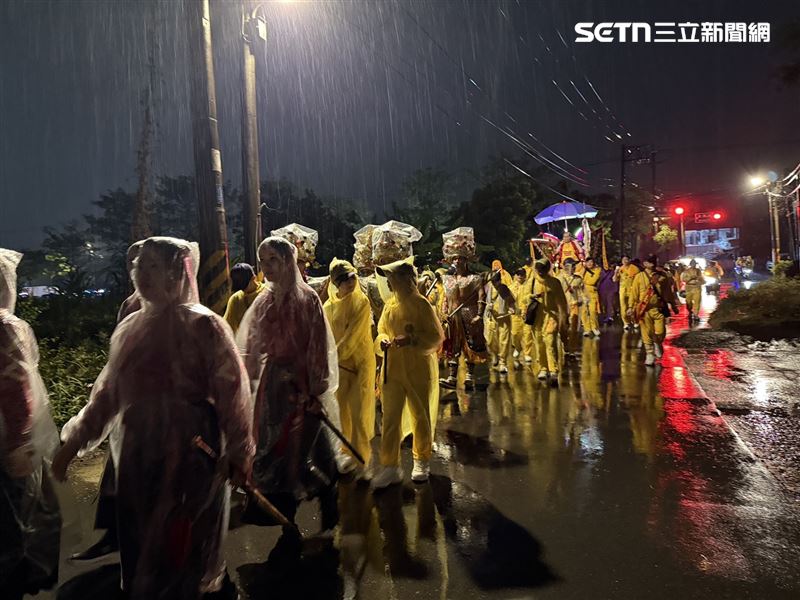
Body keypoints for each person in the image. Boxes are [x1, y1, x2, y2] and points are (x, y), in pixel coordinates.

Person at [53, 237, 255, 598]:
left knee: (188, 536)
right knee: (143, 536)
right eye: (139, 266)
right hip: (139, 451)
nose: (143, 275)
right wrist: (74, 443)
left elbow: (233, 394)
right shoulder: (132, 330)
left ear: (177, 273)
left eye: (153, 267)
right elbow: (108, 395)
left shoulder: (205, 326)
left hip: (193, 448)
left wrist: (239, 452)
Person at [237, 236, 343, 539]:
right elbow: (252, 344)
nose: (266, 267)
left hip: (301, 385)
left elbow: (316, 346)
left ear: (287, 260)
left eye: (272, 260)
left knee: (307, 448)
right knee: (274, 450)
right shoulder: (263, 301)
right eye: (262, 261)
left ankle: (329, 503)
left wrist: (314, 388)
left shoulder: (307, 299)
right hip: (273, 388)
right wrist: (247, 379)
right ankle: (286, 518)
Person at [70, 241, 144, 564]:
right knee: (118, 474)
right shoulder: (130, 304)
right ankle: (116, 538)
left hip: (161, 412)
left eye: (144, 262)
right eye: (133, 262)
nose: (137, 268)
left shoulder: (178, 309)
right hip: (129, 406)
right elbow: (120, 357)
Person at [0, 249, 61, 600]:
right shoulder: (8, 327)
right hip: (9, 445)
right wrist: (21, 441)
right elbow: (20, 389)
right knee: (15, 522)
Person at [372, 258, 444, 488]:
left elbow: (435, 337)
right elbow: (381, 330)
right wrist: (382, 341)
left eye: (392, 277)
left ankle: (421, 459)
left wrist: (412, 340)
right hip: (392, 370)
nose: (390, 283)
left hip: (417, 370)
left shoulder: (421, 304)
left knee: (420, 415)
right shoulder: (389, 305)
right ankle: (390, 466)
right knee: (390, 419)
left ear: (404, 278)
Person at [323, 258, 376, 480]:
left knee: (359, 413)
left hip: (359, 365)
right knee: (341, 412)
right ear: (336, 283)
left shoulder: (361, 302)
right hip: (338, 368)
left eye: (352, 277)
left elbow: (353, 336)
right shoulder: (327, 306)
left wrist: (334, 355)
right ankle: (345, 454)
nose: (351, 282)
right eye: (345, 280)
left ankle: (362, 459)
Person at [440, 255, 486, 390]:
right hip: (452, 316)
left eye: (460, 258)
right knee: (453, 346)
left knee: (470, 345)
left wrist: (479, 315)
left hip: (469, 314)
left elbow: (481, 296)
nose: (457, 261)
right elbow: (445, 299)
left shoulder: (475, 278)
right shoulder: (448, 279)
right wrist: (444, 313)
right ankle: (452, 377)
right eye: (454, 259)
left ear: (466, 260)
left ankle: (469, 376)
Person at [627, 254, 680, 366]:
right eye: (649, 261)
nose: (651, 264)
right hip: (644, 310)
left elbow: (668, 293)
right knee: (646, 332)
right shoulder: (639, 276)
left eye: (653, 261)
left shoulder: (662, 277)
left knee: (660, 332)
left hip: (658, 309)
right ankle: (649, 354)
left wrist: (673, 305)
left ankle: (657, 342)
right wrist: (631, 307)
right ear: (644, 263)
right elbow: (634, 293)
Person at [530, 259, 568, 382]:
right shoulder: (532, 282)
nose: (540, 272)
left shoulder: (554, 282)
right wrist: (531, 297)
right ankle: (543, 368)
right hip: (537, 317)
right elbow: (524, 297)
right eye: (539, 269)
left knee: (550, 341)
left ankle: (554, 369)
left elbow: (562, 301)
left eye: (543, 269)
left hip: (551, 316)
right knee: (539, 343)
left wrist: (563, 317)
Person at [484, 266, 516, 374]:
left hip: (503, 318)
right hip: (492, 318)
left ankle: (503, 362)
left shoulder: (504, 289)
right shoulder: (488, 288)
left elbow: (511, 302)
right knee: (490, 340)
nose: (494, 284)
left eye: (495, 282)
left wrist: (511, 309)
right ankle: (494, 355)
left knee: (504, 341)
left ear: (499, 280)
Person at [223, 263, 265, 335]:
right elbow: (228, 327)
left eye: (244, 285)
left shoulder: (267, 293)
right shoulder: (236, 299)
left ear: (253, 278)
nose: (243, 290)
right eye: (240, 287)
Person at [557, 258, 583, 356]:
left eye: (574, 266)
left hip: (574, 305)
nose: (573, 268)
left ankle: (572, 348)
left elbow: (582, 291)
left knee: (574, 327)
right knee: (563, 326)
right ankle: (565, 344)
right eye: (571, 265)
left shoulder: (578, 279)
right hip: (563, 306)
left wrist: (582, 299)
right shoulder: (559, 278)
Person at [613, 255, 639, 331]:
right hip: (623, 290)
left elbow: (638, 280)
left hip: (632, 290)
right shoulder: (620, 269)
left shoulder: (635, 269)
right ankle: (626, 322)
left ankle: (634, 320)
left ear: (629, 260)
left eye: (626, 259)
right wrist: (615, 272)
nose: (625, 261)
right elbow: (615, 280)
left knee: (633, 306)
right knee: (623, 306)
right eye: (623, 260)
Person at [580, 257, 601, 337]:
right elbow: (579, 277)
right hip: (583, 292)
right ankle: (587, 329)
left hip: (592, 292)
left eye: (591, 262)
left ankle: (594, 327)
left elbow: (593, 281)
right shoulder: (583, 270)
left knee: (592, 311)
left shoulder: (597, 270)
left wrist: (584, 281)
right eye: (587, 262)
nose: (589, 264)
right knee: (584, 311)